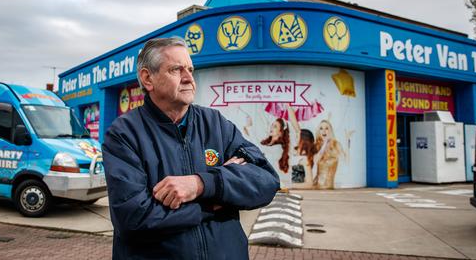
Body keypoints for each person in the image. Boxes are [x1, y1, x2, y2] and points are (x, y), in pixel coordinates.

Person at [102, 37, 280, 260]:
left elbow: (266, 180)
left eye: (190, 69)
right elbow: (133, 218)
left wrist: (201, 184)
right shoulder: (124, 133)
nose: (188, 78)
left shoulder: (215, 123)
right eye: (177, 69)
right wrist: (212, 204)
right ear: (148, 79)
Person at [313, 119, 346, 189]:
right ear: (319, 131)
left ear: (330, 130)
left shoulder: (336, 144)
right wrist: (325, 144)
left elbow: (345, 160)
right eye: (321, 128)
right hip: (317, 187)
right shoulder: (317, 145)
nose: (324, 131)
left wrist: (347, 142)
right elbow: (315, 160)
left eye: (326, 128)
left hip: (330, 187)